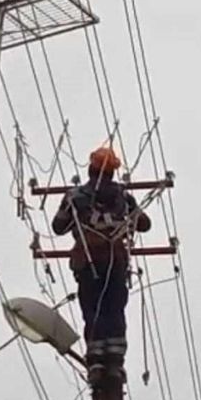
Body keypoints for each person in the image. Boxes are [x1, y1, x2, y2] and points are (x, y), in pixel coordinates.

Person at [52, 146, 151, 387]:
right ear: (112, 173)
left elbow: (58, 226)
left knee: (93, 311)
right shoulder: (123, 197)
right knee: (114, 310)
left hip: (88, 264)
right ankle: (115, 363)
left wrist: (80, 213)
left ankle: (96, 362)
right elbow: (145, 224)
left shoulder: (75, 196)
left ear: (91, 169)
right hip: (115, 262)